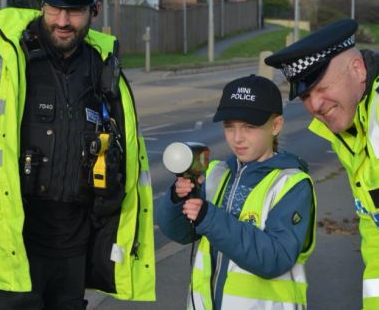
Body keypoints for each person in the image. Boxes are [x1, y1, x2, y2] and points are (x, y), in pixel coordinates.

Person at [0, 0, 155, 309]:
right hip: (8, 236)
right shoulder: (2, 57)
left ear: (94, 10)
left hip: (72, 244)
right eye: (54, 8)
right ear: (41, 4)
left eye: (74, 11)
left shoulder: (102, 66)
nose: (62, 21)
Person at [158, 74, 317, 310]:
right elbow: (180, 233)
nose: (237, 138)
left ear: (276, 125)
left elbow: (276, 258)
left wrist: (209, 218)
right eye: (229, 126)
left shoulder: (291, 183)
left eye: (249, 127)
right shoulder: (215, 172)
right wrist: (177, 198)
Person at [264, 18, 379, 310]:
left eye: (322, 87)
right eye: (305, 96)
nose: (315, 106)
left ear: (358, 70)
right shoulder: (351, 127)